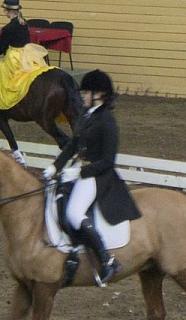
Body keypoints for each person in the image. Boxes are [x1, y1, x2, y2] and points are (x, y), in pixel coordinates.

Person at [51, 69, 141, 287]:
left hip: (98, 176)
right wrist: (55, 167)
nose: (82, 95)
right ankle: (73, 248)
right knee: (56, 196)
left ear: (99, 94)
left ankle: (107, 259)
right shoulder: (86, 115)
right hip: (80, 170)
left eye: (86, 91)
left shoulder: (108, 122)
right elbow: (73, 144)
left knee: (74, 213)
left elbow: (108, 161)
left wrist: (80, 172)